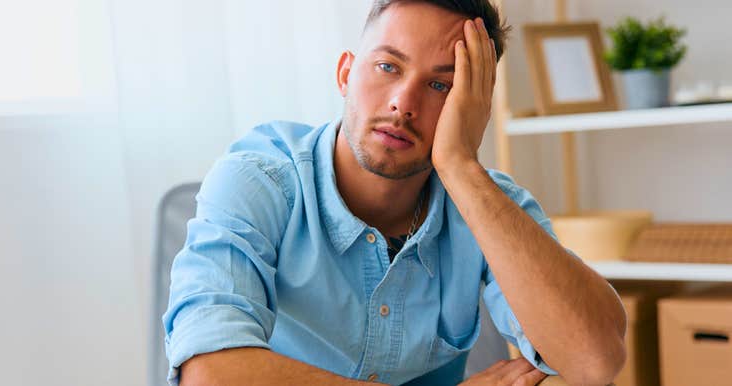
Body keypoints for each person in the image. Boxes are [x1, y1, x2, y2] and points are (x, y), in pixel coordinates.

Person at [163, 1, 627, 385]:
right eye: (388, 66)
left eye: (440, 85)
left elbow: (594, 361)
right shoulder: (257, 179)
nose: (403, 103)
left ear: (473, 107)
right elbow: (210, 373)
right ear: (346, 73)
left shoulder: (488, 204)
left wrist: (461, 166)